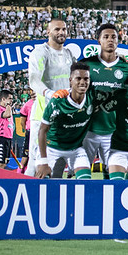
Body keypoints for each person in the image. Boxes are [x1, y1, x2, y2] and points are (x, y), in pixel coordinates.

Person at [25, 18, 77, 176]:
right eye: (57, 29)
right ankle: (26, 194)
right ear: (48, 32)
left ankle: (53, 197)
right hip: (42, 114)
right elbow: (34, 79)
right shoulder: (40, 52)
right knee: (35, 161)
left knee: (58, 163)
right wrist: (49, 93)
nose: (61, 32)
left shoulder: (68, 53)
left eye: (64, 29)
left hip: (63, 115)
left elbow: (80, 73)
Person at [81, 23, 128, 179]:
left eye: (113, 37)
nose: (110, 40)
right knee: (80, 174)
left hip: (114, 131)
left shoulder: (126, 68)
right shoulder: (86, 64)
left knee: (113, 175)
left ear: (118, 41)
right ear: (98, 40)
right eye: (106, 37)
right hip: (87, 129)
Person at [35, 62, 104, 180]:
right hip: (52, 148)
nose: (82, 82)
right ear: (70, 80)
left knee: (85, 182)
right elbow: (42, 130)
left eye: (86, 79)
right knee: (44, 183)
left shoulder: (93, 98)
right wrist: (44, 161)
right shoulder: (57, 102)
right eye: (78, 78)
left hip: (76, 149)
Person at [0, 89, 14, 170]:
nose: (11, 101)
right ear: (3, 99)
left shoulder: (9, 109)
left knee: (4, 164)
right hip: (1, 139)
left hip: (8, 139)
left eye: (12, 99)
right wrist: (8, 105)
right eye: (9, 99)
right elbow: (7, 115)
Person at [18, 91, 35, 173]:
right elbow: (22, 119)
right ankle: (19, 172)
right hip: (31, 131)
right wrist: (26, 129)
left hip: (42, 131)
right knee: (25, 155)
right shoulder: (28, 104)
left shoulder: (44, 101)